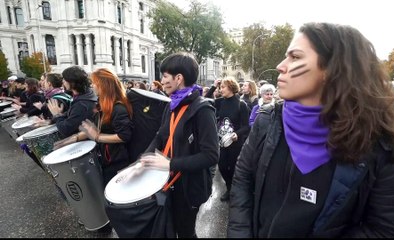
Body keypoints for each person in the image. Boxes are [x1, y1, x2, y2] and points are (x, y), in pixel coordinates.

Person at [227, 22, 394, 238]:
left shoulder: (373, 143)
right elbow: (242, 180)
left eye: (296, 57)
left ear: (331, 70)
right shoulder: (267, 120)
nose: (281, 65)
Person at [141, 52, 219, 238]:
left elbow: (211, 155)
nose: (162, 80)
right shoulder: (172, 105)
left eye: (165, 76)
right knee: (170, 227)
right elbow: (160, 136)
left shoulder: (203, 110)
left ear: (178, 78)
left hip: (189, 187)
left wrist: (170, 164)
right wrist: (142, 160)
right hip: (169, 182)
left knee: (185, 232)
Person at [54, 68, 133, 187]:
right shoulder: (102, 106)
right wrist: (69, 140)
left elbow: (124, 136)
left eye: (94, 83)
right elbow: (95, 129)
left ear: (104, 85)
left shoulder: (118, 108)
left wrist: (98, 137)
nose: (92, 86)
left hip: (116, 162)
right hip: (105, 160)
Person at [214, 77, 250, 202]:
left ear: (231, 87)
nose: (220, 89)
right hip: (222, 142)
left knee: (234, 168)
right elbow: (205, 100)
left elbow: (246, 127)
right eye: (220, 87)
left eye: (223, 87)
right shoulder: (219, 102)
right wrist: (214, 86)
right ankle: (229, 187)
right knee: (222, 167)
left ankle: (234, 190)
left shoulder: (242, 105)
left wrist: (236, 134)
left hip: (235, 142)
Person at [45, 66, 97, 138]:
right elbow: (71, 115)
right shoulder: (85, 95)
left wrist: (57, 115)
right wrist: (52, 120)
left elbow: (66, 130)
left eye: (65, 79)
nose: (63, 82)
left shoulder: (82, 104)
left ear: (72, 82)